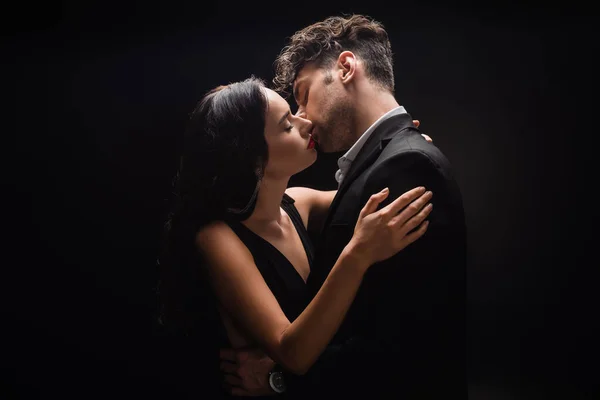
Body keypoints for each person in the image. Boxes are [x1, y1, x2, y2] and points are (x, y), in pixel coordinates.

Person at [219, 14, 467, 398]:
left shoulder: (406, 166)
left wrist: (281, 379)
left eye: (303, 94)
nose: (302, 117)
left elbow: (409, 343)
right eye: (287, 120)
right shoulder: (388, 163)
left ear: (346, 67)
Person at [156, 77, 434, 398]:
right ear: (253, 160)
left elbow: (376, 187)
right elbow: (293, 355)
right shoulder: (217, 238)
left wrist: (399, 148)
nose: (307, 123)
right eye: (287, 124)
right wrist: (357, 255)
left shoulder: (298, 204)